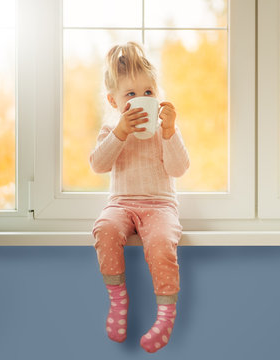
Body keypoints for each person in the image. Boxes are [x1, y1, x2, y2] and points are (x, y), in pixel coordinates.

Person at [89, 41, 190, 353]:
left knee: (161, 243)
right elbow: (98, 165)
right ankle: (118, 301)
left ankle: (165, 315)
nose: (141, 100)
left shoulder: (163, 131)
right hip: (121, 204)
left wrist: (170, 131)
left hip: (160, 206)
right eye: (130, 95)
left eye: (148, 92)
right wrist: (120, 132)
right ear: (114, 101)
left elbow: (179, 168)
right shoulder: (111, 129)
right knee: (104, 229)